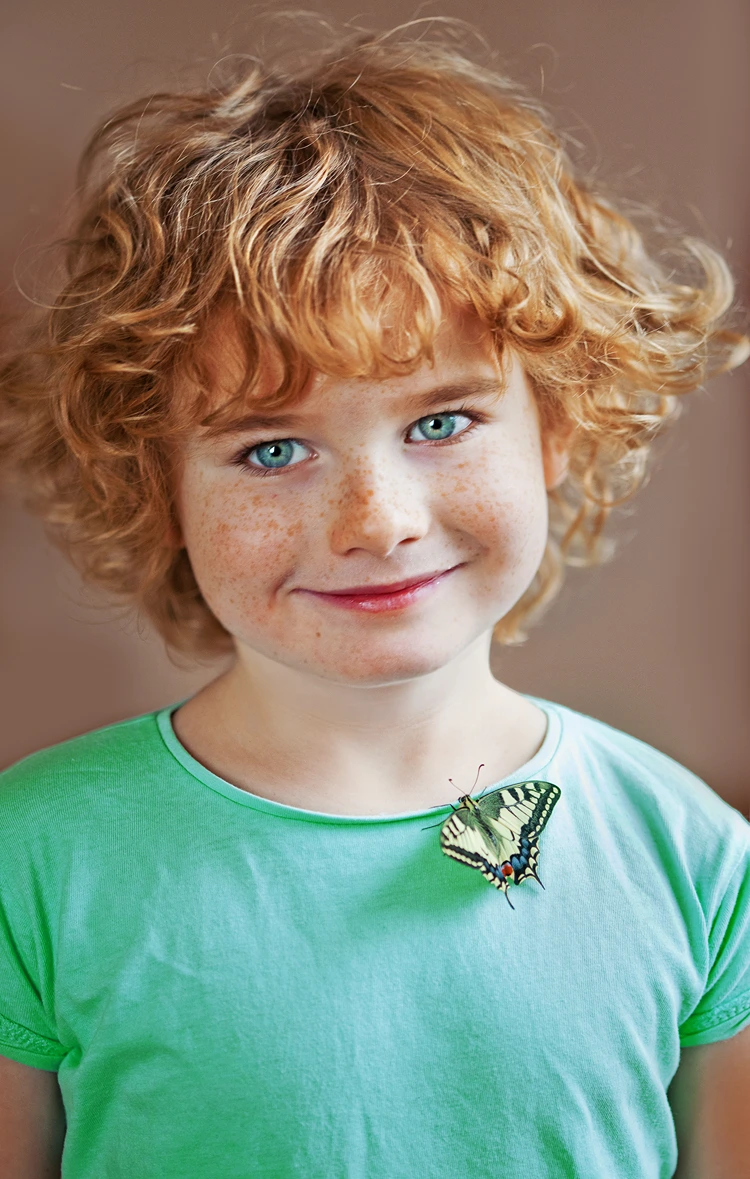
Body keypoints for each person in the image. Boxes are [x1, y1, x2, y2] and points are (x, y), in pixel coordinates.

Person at [0, 21, 748, 1179]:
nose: (377, 519)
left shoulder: (696, 856)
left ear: (555, 424)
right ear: (156, 486)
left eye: (441, 422)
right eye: (269, 450)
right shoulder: (31, 860)